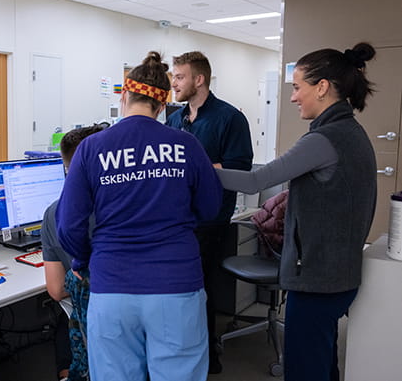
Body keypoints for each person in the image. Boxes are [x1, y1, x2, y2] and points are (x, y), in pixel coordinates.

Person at [56, 51, 223, 381]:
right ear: (162, 105)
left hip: (112, 286)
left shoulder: (91, 148)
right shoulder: (186, 145)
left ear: (124, 95)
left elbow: (68, 226)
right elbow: (210, 208)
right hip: (175, 286)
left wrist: (91, 258)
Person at [215, 42, 377, 381]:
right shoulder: (352, 132)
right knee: (323, 360)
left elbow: (256, 180)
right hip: (338, 274)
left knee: (305, 369)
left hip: (317, 279)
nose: (292, 97)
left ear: (321, 87)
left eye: (297, 87)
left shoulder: (324, 139)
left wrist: (196, 167)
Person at [166, 51, 253, 373]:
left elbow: (240, 169)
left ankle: (206, 358)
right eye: (174, 77)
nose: (173, 83)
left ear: (199, 79)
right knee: (178, 289)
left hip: (209, 219)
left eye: (179, 77)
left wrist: (198, 167)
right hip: (175, 219)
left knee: (198, 287)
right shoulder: (175, 120)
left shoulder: (229, 118)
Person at [42, 125, 106, 381]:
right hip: (132, 325)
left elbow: (56, 290)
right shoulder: (123, 205)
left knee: (64, 315)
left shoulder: (53, 214)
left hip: (90, 327)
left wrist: (80, 280)